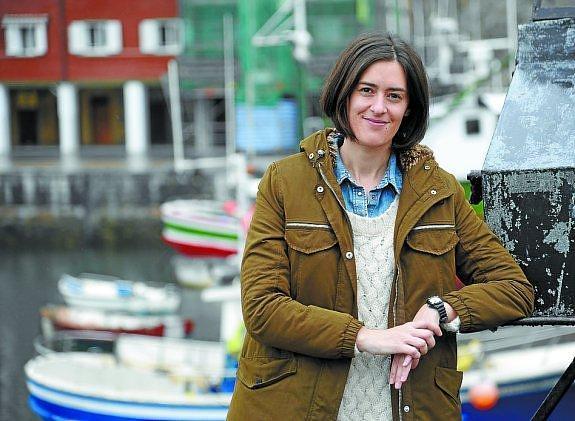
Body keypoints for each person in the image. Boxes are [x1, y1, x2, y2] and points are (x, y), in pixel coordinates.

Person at [227, 32, 534, 421]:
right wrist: (367, 338)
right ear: (344, 95)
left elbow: (514, 289)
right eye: (366, 91)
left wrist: (441, 310)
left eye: (394, 95)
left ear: (409, 108)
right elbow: (262, 307)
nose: (379, 107)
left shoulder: (439, 191)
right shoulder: (285, 182)